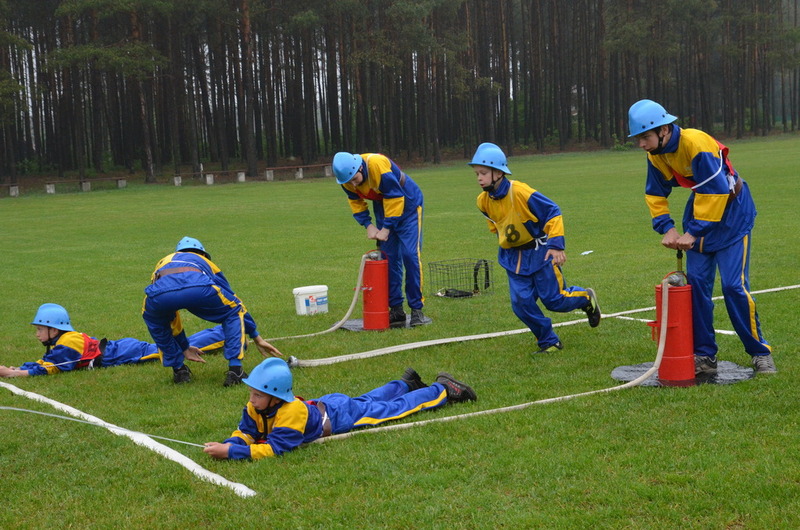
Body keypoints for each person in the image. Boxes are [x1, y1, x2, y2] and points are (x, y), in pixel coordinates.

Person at [627, 99, 775, 375]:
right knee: (696, 290)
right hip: (700, 213)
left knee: (733, 287)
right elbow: (655, 193)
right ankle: (705, 356)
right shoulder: (656, 154)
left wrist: (693, 233)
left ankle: (760, 353)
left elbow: (718, 191)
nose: (641, 145)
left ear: (664, 130)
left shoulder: (696, 144)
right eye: (638, 139)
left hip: (733, 215)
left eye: (645, 137)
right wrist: (667, 228)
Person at [469, 143, 600, 356]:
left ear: (499, 172)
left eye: (483, 173)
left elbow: (552, 211)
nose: (479, 178)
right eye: (476, 174)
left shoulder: (521, 191)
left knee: (554, 301)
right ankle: (548, 340)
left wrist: (556, 246)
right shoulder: (482, 201)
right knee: (521, 304)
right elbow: (495, 226)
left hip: (541, 255)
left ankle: (586, 298)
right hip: (513, 259)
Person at [203, 358, 476, 460]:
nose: (251, 400)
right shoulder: (255, 409)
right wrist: (229, 442)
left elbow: (274, 449)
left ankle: (443, 390)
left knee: (391, 410)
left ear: (276, 397)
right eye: (251, 393)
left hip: (338, 417)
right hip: (329, 404)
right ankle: (405, 383)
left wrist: (231, 453)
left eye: (256, 395)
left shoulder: (290, 413)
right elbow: (246, 432)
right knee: (369, 402)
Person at [142, 236, 282, 386]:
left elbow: (170, 315)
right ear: (202, 254)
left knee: (158, 323)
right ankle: (235, 371)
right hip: (199, 287)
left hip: (158, 295)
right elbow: (234, 300)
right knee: (233, 312)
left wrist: (183, 346)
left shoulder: (163, 261)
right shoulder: (206, 262)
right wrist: (255, 336)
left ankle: (179, 371)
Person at [0, 303, 226, 378]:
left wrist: (15, 373)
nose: (37, 334)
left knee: (172, 351)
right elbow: (47, 360)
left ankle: (227, 336)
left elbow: (53, 367)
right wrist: (20, 367)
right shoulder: (65, 341)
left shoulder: (68, 343)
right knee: (172, 347)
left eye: (40, 329)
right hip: (121, 347)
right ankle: (223, 333)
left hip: (125, 352)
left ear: (54, 329)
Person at [332, 152, 426, 327]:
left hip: (409, 205)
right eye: (349, 182)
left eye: (355, 179)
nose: (353, 184)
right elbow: (355, 202)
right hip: (384, 208)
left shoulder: (376, 165)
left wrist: (386, 228)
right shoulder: (346, 179)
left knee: (410, 255)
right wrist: (368, 225)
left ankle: (416, 310)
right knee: (388, 259)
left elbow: (396, 197)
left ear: (359, 167)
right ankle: (396, 309)